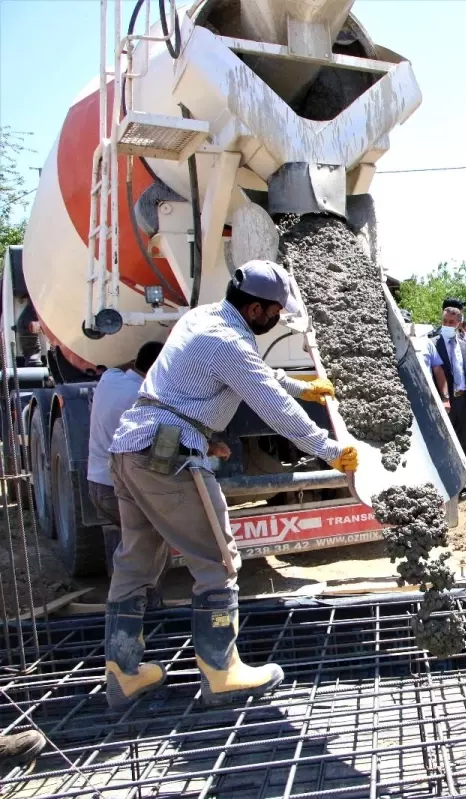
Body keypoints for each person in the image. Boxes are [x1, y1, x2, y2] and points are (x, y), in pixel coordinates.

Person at [104, 261, 357, 710]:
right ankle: (222, 673)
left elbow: (255, 374)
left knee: (136, 561)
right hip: (168, 456)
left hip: (132, 449)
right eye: (276, 310)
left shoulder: (204, 318)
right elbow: (270, 405)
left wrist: (304, 387)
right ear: (257, 308)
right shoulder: (228, 342)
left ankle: (125, 673)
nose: (278, 317)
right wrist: (330, 450)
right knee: (218, 560)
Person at [87, 341, 164, 574]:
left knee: (131, 546)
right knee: (149, 552)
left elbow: (119, 367)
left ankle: (125, 600)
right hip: (120, 489)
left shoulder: (109, 379)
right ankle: (145, 605)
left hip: (97, 484)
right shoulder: (144, 400)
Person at [433, 304, 466, 472]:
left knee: (465, 440)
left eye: (451, 322)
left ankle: (465, 476)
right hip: (445, 401)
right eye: (445, 321)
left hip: (464, 400)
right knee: (446, 440)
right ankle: (447, 474)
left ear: (459, 323)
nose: (447, 325)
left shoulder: (465, 346)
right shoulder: (433, 344)